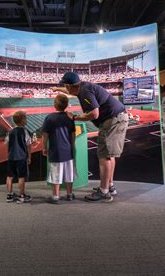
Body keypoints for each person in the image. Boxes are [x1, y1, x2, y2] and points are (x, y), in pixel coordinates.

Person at [52, 72, 129, 202]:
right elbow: (69, 91)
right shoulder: (82, 87)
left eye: (65, 85)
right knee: (109, 155)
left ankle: (104, 192)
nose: (66, 88)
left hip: (112, 120)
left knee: (104, 156)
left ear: (70, 86)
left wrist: (75, 117)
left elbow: (94, 114)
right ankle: (109, 186)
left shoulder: (85, 92)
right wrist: (57, 89)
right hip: (117, 118)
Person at [42, 94, 76, 204]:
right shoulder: (69, 117)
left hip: (55, 150)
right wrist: (71, 145)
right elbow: (73, 135)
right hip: (68, 150)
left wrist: (44, 147)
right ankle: (69, 194)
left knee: (55, 173)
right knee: (69, 173)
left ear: (55, 104)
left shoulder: (49, 118)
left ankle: (56, 196)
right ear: (66, 105)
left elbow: (45, 135)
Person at [5, 111, 32, 203]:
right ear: (22, 120)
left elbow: (7, 143)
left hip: (11, 156)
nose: (26, 119)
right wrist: (29, 157)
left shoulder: (10, 131)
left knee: (9, 176)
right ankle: (21, 196)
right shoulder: (25, 131)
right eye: (25, 118)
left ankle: (9, 195)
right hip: (21, 157)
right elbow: (28, 145)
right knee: (21, 176)